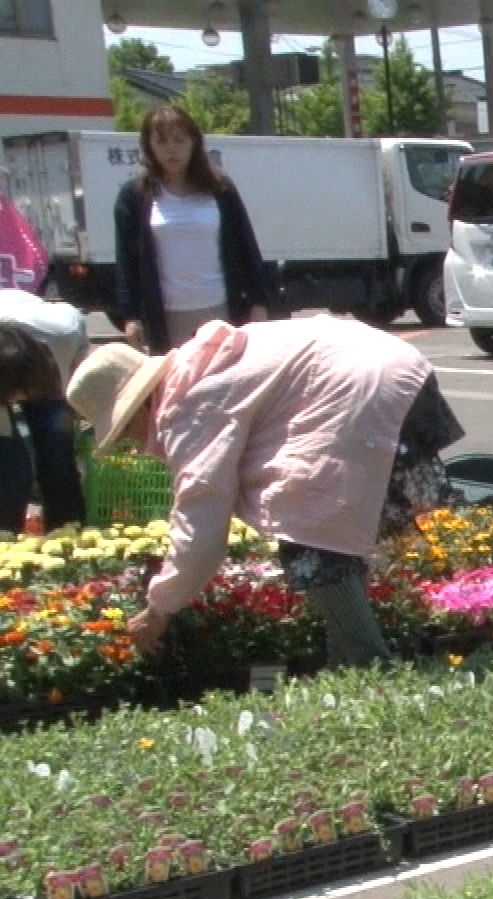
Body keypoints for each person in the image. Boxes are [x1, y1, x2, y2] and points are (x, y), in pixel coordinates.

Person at [65, 315, 465, 669]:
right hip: (393, 370)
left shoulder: (186, 405)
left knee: (310, 534)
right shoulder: (197, 367)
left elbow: (201, 521)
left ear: (138, 407)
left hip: (361, 388)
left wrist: (159, 609)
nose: (130, 443)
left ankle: (370, 666)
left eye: (123, 430)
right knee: (331, 538)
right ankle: (345, 665)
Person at [114, 105, 273, 355]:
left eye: (179, 140)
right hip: (166, 316)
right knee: (177, 388)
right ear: (149, 147)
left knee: (225, 385)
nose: (172, 149)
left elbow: (246, 246)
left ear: (193, 143)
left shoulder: (220, 189)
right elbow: (127, 261)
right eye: (162, 141)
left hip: (219, 308)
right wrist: (131, 315)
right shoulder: (134, 196)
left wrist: (258, 301)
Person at [0, 290, 88, 533]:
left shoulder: (67, 331)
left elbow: (76, 388)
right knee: (12, 461)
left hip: (41, 344)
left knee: (45, 454)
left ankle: (65, 526)